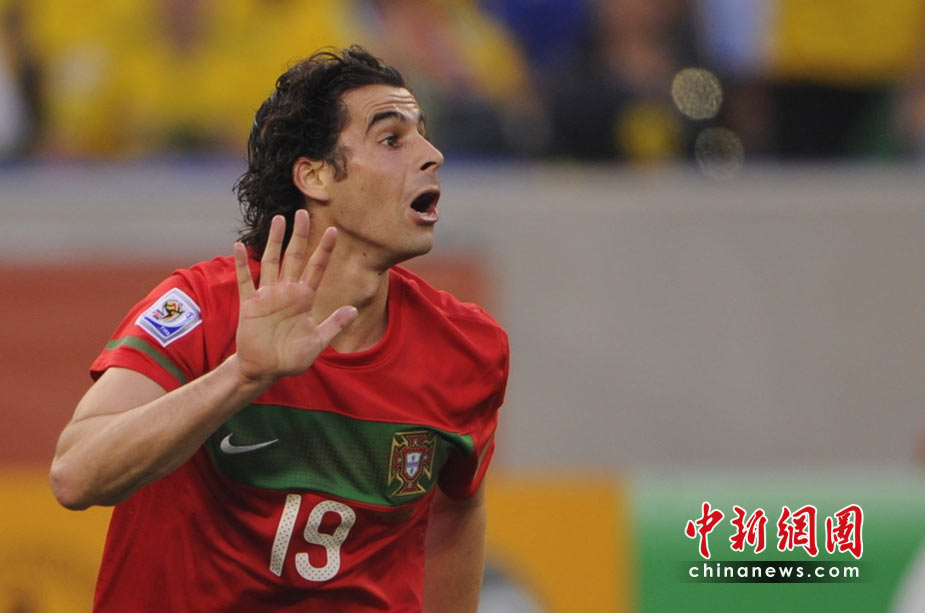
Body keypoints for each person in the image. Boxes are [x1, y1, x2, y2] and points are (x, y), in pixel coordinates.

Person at [49, 46, 509, 612]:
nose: (433, 155)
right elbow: (75, 476)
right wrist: (242, 376)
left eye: (424, 135)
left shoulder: (468, 348)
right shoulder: (202, 306)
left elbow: (459, 506)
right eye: (392, 140)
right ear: (315, 175)